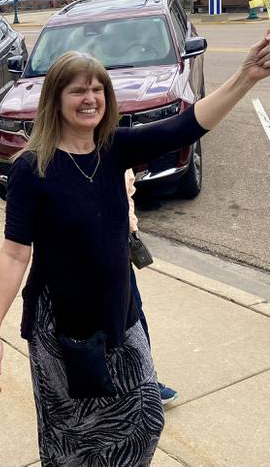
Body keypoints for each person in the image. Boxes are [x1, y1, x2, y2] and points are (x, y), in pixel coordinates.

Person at [0, 33, 270, 466]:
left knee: (145, 419)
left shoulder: (114, 147)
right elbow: (14, 254)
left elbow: (188, 124)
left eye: (98, 89)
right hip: (61, 325)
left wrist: (245, 77)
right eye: (78, 90)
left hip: (120, 314)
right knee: (72, 440)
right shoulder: (33, 168)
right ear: (56, 99)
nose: (90, 98)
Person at [125, 168, 178, 406]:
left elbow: (128, 194)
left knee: (134, 318)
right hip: (93, 258)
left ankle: (144, 382)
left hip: (120, 250)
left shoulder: (114, 148)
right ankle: (142, 385)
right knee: (129, 320)